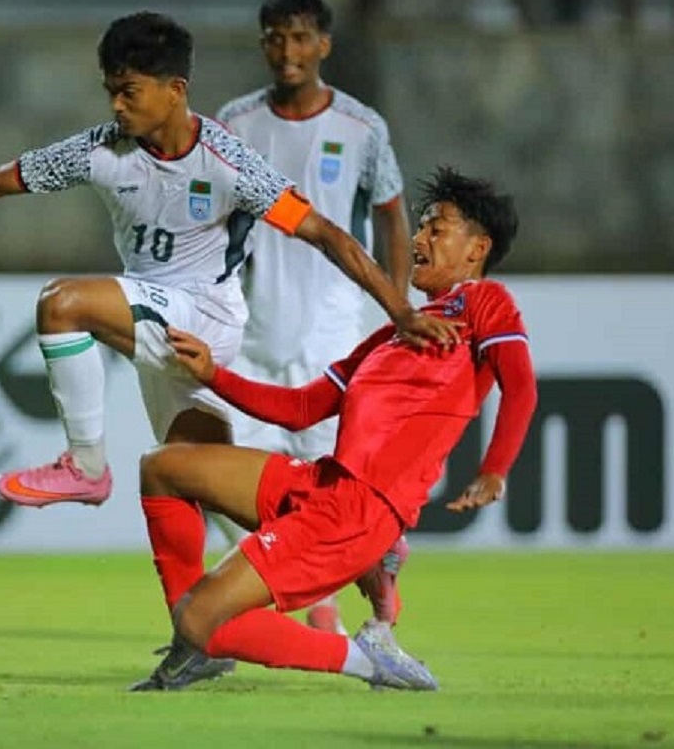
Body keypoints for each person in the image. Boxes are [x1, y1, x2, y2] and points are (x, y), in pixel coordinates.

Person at [0, 12, 457, 513]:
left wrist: (400, 311)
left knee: (61, 303)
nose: (116, 106)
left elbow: (327, 234)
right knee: (197, 483)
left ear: (175, 91)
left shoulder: (230, 164)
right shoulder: (98, 150)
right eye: (110, 91)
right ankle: (348, 567)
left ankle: (86, 467)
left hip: (206, 317)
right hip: (155, 324)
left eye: (128, 92)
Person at [130, 166, 538, 692]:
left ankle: (364, 660)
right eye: (421, 226)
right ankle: (195, 648)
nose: (418, 239)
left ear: (477, 249)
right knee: (164, 467)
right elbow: (301, 407)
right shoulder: (393, 335)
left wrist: (494, 470)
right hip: (324, 482)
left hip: (359, 509)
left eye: (437, 229)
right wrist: (213, 375)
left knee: (198, 618)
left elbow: (521, 388)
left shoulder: (484, 302)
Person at [216, 0, 415, 652]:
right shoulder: (235, 123)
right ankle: (312, 599)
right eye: (275, 37)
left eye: (300, 37)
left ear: (324, 44)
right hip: (252, 330)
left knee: (335, 487)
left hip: (333, 331)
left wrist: (396, 308)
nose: (287, 50)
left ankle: (349, 601)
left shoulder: (361, 127)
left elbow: (391, 215)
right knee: (233, 482)